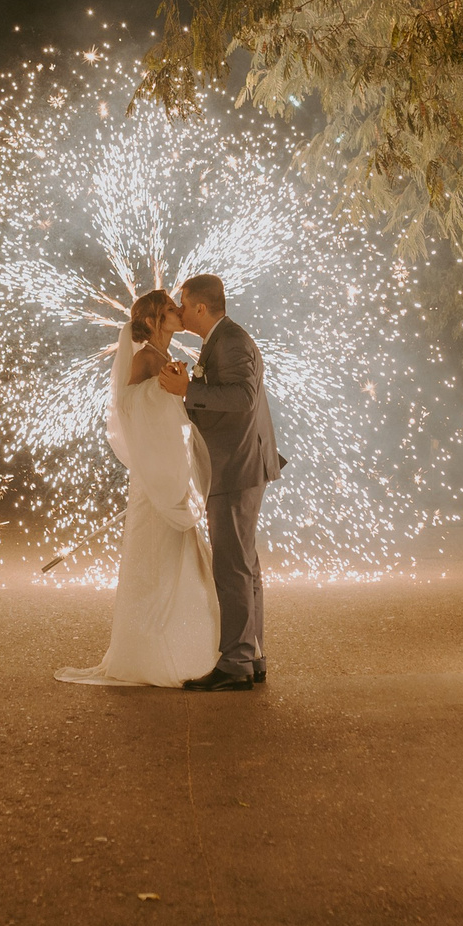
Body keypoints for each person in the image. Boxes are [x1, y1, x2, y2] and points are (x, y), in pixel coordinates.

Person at [56, 290, 220, 686]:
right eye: (170, 310)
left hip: (171, 469)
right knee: (154, 556)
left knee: (179, 558)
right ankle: (146, 653)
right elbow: (127, 406)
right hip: (155, 476)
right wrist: (160, 391)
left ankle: (180, 646)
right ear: (156, 319)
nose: (178, 313)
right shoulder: (146, 357)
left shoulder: (166, 358)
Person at [157, 273, 284, 691]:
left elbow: (243, 397)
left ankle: (236, 663)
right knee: (244, 565)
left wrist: (188, 389)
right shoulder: (222, 340)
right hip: (240, 464)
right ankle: (252, 655)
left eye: (183, 303)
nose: (178, 309)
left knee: (232, 565)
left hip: (235, 467)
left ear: (200, 308)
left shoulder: (230, 341)